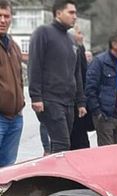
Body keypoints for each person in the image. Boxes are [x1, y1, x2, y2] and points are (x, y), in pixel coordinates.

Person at [28, 0, 87, 153]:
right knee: (62, 144)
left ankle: (52, 175)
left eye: (76, 13)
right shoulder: (43, 32)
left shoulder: (71, 40)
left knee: (64, 146)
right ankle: (52, 177)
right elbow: (34, 64)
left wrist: (81, 101)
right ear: (58, 13)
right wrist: (36, 97)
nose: (75, 16)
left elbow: (77, 72)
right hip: (50, 100)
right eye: (71, 12)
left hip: (69, 102)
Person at [85, 30, 117, 145]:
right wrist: (98, 112)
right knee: (107, 154)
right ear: (114, 44)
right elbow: (90, 88)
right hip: (105, 117)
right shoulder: (99, 62)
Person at [0, 0, 25, 167]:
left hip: (15, 118)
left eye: (6, 16)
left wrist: (20, 107)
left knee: (8, 169)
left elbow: (19, 79)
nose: (2, 20)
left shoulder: (14, 47)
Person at [70, 24, 91, 150]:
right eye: (79, 33)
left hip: (80, 99)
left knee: (81, 139)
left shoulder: (80, 49)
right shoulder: (73, 49)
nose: (82, 36)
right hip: (72, 100)